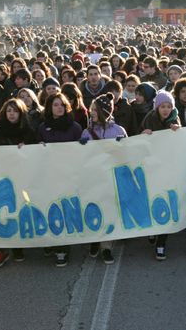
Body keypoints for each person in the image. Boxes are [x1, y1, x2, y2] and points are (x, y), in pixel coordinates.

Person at [81, 93, 127, 264]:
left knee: (109, 210)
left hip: (112, 178)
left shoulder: (118, 131)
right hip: (94, 178)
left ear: (104, 111)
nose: (91, 112)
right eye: (91, 109)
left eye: (94, 109)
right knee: (94, 208)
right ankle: (94, 239)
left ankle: (106, 247)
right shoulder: (86, 131)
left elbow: (125, 154)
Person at [0, 98, 37, 268]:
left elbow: (38, 154)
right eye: (9, 110)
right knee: (4, 212)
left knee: (21, 210)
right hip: (4, 178)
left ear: (21, 113)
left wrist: (28, 149)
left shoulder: (29, 132)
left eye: (15, 111)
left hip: (24, 178)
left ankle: (19, 246)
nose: (11, 114)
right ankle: (4, 249)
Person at [39, 93, 83, 267]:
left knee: (65, 209)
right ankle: (54, 242)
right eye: (55, 105)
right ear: (49, 107)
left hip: (69, 175)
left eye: (62, 105)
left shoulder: (75, 127)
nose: (59, 108)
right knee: (52, 209)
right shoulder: (42, 127)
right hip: (49, 176)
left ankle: (63, 248)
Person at [141, 90, 180, 260]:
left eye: (169, 106)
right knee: (152, 200)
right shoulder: (149, 119)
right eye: (163, 106)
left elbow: (181, 143)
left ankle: (161, 243)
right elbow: (137, 141)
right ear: (157, 107)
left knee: (167, 202)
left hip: (169, 168)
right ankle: (152, 229)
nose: (166, 110)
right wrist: (143, 135)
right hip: (151, 168)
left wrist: (178, 131)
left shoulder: (175, 120)